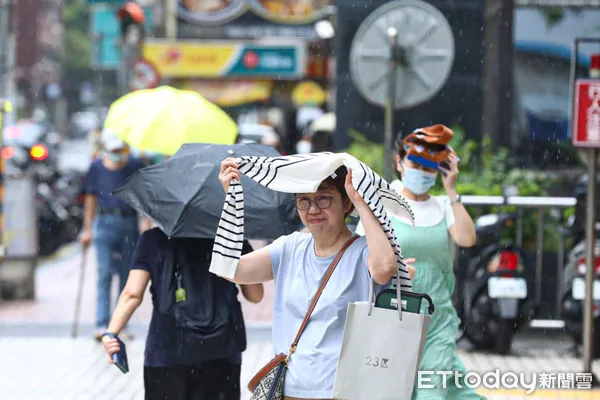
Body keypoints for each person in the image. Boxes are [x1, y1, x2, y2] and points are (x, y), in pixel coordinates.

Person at [215, 159, 416, 400]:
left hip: (342, 392)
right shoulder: (289, 248)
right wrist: (232, 199)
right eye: (304, 200)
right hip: (287, 391)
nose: (312, 209)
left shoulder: (363, 252)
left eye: (324, 198)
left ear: (346, 203)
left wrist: (362, 201)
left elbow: (384, 268)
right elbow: (229, 269)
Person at [358, 124, 483, 400]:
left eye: (429, 168)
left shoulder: (442, 206)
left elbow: (467, 238)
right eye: (416, 164)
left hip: (437, 320)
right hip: (392, 318)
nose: (422, 173)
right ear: (399, 162)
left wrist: (452, 191)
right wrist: (392, 268)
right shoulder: (380, 203)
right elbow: (358, 256)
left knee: (431, 393)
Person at [101, 227, 264, 400]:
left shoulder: (153, 239)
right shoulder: (230, 237)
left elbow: (132, 294)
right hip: (222, 352)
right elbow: (255, 295)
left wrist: (112, 333)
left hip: (167, 352)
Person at [80, 129, 146, 341]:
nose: (119, 154)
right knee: (104, 274)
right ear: (107, 149)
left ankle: (120, 325)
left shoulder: (135, 166)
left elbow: (145, 194)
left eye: (121, 150)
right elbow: (90, 198)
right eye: (115, 150)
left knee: (127, 275)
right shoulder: (97, 167)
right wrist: (87, 229)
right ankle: (102, 323)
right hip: (104, 222)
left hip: (129, 222)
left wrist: (148, 222)